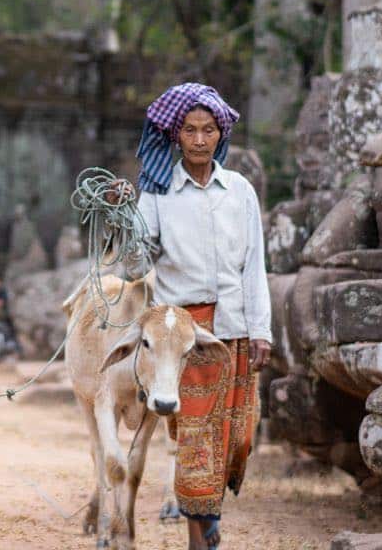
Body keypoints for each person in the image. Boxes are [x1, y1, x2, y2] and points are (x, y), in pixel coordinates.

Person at [116, 82, 273, 550]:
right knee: (197, 438)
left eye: (208, 130)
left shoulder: (240, 192)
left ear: (220, 134)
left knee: (238, 439)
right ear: (176, 136)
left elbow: (255, 265)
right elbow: (135, 266)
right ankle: (198, 538)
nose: (199, 139)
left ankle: (208, 514)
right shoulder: (158, 194)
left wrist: (262, 331)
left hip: (238, 328)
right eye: (190, 130)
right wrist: (124, 218)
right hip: (183, 335)